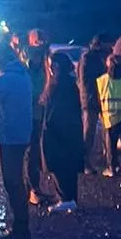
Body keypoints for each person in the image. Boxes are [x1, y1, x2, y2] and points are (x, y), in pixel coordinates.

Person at [0, 41, 34, 239]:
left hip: (8, 135)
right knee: (17, 179)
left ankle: (20, 230)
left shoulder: (3, 80)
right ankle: (21, 226)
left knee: (12, 182)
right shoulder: (23, 75)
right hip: (22, 134)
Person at [40, 51, 84, 210]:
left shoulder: (59, 85)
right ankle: (69, 197)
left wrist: (49, 127)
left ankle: (66, 198)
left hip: (59, 132)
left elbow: (57, 111)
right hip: (69, 132)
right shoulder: (69, 84)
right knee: (68, 166)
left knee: (60, 165)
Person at [78, 37, 111, 172]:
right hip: (92, 98)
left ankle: (107, 160)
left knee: (105, 130)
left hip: (99, 97)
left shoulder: (96, 57)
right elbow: (86, 81)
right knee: (89, 131)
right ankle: (85, 162)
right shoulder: (89, 58)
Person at [23, 29, 48, 203]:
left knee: (36, 151)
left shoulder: (45, 61)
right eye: (39, 40)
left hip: (40, 113)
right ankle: (31, 189)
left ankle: (34, 187)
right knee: (30, 152)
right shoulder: (26, 64)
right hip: (27, 113)